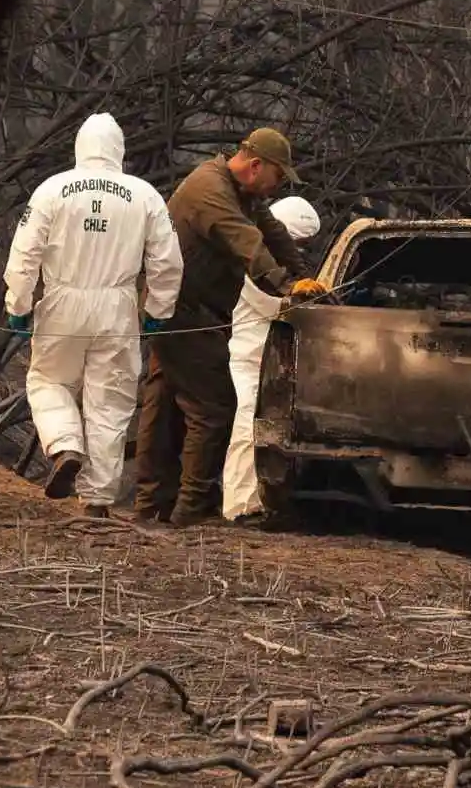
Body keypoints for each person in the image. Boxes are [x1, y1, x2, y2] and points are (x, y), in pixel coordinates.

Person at [132, 129, 330, 527]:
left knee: (166, 400)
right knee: (215, 406)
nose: (277, 188)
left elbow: (272, 232)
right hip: (180, 311)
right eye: (278, 177)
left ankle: (152, 504)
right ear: (256, 166)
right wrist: (286, 286)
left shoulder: (245, 193)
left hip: (190, 310)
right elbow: (247, 243)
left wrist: (307, 276)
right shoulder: (210, 189)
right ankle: (190, 509)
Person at [3, 112, 183, 518]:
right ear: (119, 150)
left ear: (80, 147)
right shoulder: (145, 195)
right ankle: (98, 500)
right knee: (111, 400)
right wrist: (157, 309)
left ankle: (66, 445)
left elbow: (25, 252)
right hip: (117, 308)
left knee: (49, 380)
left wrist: (19, 304)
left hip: (62, 302)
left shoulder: (52, 189)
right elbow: (168, 261)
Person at [222, 195, 321, 526]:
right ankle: (239, 507)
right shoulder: (254, 265)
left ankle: (258, 503)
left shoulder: (278, 266)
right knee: (245, 431)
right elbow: (276, 306)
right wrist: (305, 297)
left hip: (268, 366)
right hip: (245, 361)